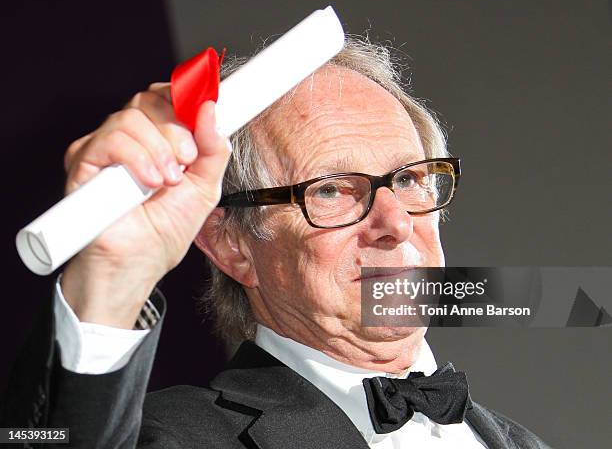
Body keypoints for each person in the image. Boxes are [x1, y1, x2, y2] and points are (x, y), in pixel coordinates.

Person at [1, 36, 551, 448]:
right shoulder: (169, 436)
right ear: (234, 246)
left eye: (408, 180)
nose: (396, 222)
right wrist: (111, 282)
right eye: (331, 189)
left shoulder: (523, 442)